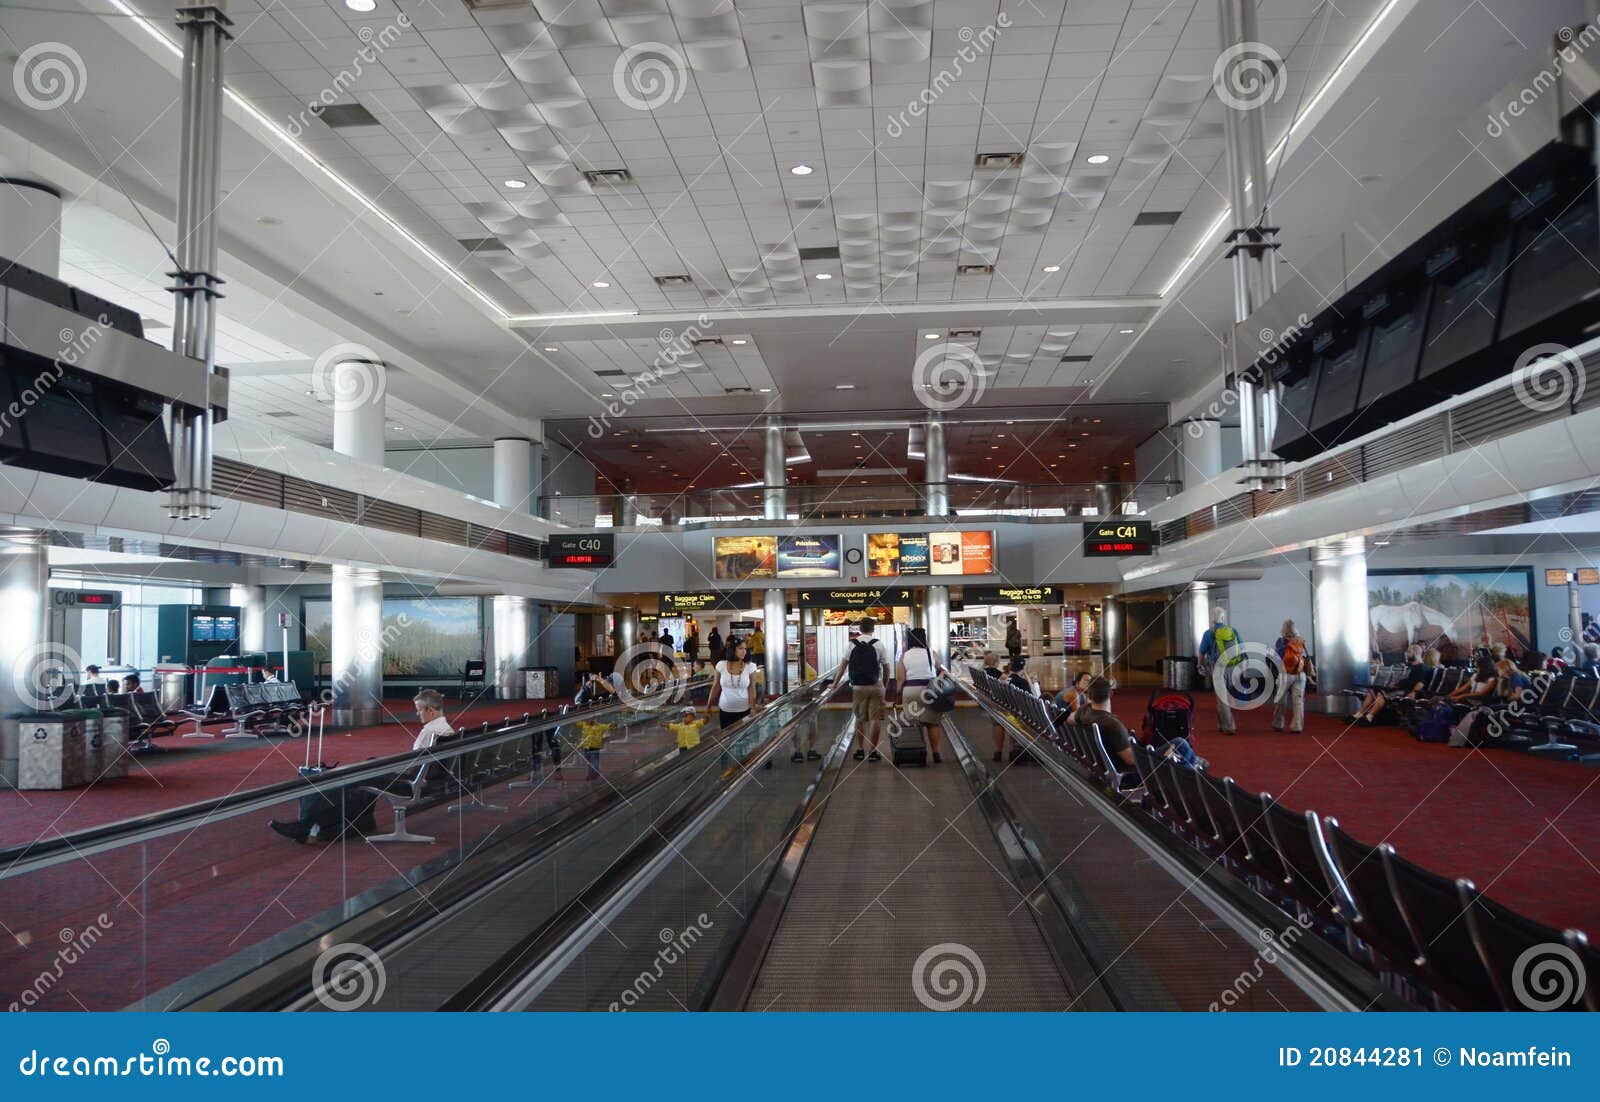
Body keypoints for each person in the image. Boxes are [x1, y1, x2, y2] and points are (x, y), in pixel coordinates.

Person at [269, 691, 453, 843]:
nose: (417, 714)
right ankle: (351, 825)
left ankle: (307, 825)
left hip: (413, 783)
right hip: (428, 780)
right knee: (367, 769)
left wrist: (387, 768)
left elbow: (412, 769)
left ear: (430, 710)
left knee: (352, 779)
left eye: (419, 710)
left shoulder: (430, 732)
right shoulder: (446, 729)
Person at [837, 617, 891, 762]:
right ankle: (872, 752)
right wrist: (884, 685)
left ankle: (860, 750)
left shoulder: (852, 644)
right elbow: (886, 667)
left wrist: (835, 683)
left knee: (860, 719)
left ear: (860, 629)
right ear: (873, 629)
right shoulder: (878, 644)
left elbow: (842, 666)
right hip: (876, 685)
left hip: (858, 686)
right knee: (875, 719)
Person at [896, 627, 947, 764]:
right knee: (933, 723)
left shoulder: (904, 655)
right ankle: (936, 753)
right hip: (929, 690)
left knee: (914, 723)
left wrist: (898, 696)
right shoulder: (931, 653)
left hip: (910, 690)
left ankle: (918, 751)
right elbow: (942, 670)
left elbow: (901, 679)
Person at [1354, 647, 1438, 724]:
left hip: (1406, 691)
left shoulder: (1422, 668)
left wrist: (1414, 692)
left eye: (1409, 652)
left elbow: (1421, 683)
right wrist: (1396, 684)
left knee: (1382, 694)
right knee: (1373, 690)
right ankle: (1359, 714)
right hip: (1400, 688)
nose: (1407, 654)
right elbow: (1407, 680)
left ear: (1416, 653)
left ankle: (1369, 717)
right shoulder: (1412, 666)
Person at [1197, 607, 1242, 734]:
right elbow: (1241, 648)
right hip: (1232, 667)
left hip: (1217, 667)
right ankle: (1222, 725)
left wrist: (1199, 665)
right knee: (1224, 696)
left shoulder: (1208, 633)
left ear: (1213, 619)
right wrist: (1242, 668)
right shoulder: (1233, 631)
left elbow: (1201, 653)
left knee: (1222, 697)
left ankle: (1229, 726)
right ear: (1223, 618)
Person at [706, 638, 761, 729]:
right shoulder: (721, 665)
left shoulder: (750, 666)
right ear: (732, 650)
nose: (744, 651)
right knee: (727, 738)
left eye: (745, 649)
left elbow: (751, 688)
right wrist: (709, 706)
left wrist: (753, 707)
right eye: (740, 648)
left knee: (744, 738)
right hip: (725, 710)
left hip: (744, 710)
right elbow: (716, 686)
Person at [1272, 619, 1314, 733]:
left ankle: (1278, 723)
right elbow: (1305, 657)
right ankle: (1297, 726)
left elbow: (1277, 657)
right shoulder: (1301, 640)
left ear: (1283, 630)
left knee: (1281, 700)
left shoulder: (1281, 641)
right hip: (1300, 674)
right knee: (1298, 701)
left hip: (1285, 674)